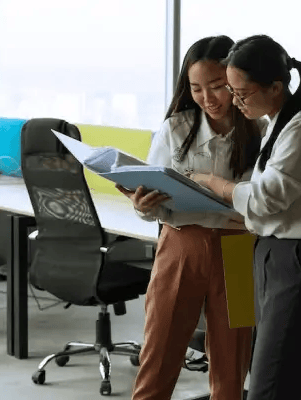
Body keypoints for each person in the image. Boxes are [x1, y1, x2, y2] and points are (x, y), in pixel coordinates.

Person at [190, 34, 301, 400]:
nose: (235, 102)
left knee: (268, 386)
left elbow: (268, 198)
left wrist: (217, 185)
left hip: (298, 261)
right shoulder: (277, 123)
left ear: (276, 87)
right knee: (291, 382)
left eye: (242, 93)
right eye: (233, 92)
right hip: (274, 256)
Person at [116, 35, 263, 400]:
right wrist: (143, 205)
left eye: (217, 87)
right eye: (196, 89)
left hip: (239, 251)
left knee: (232, 369)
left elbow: (266, 200)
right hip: (182, 245)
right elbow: (151, 205)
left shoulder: (260, 131)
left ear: (234, 80)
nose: (208, 98)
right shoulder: (175, 129)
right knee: (159, 356)